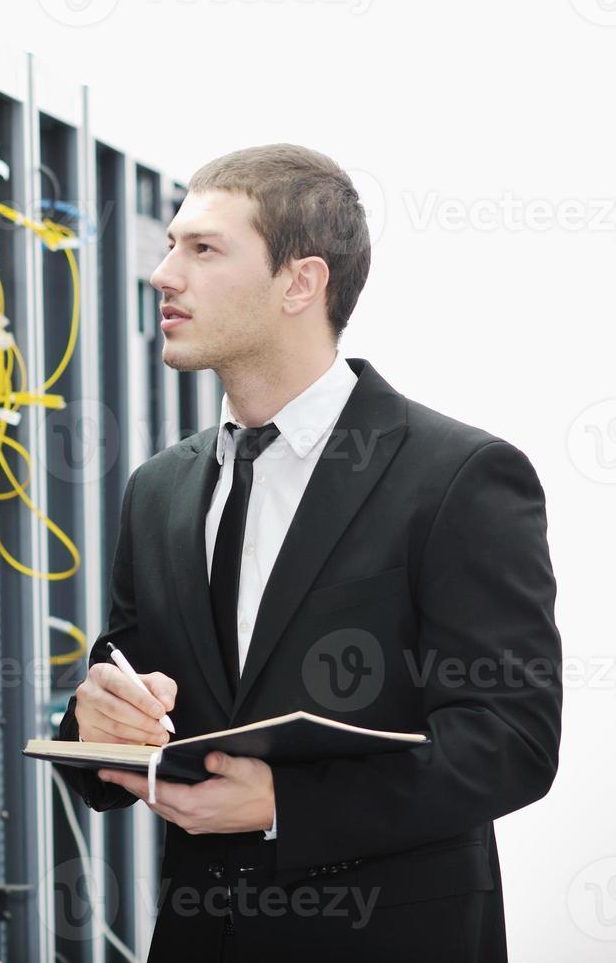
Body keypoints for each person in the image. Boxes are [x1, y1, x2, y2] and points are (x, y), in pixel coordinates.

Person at [55, 143, 561, 962]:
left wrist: (287, 803)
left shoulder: (457, 477)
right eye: (172, 245)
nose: (164, 275)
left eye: (203, 249)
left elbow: (512, 743)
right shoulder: (159, 488)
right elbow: (129, 685)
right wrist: (93, 720)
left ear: (301, 282)